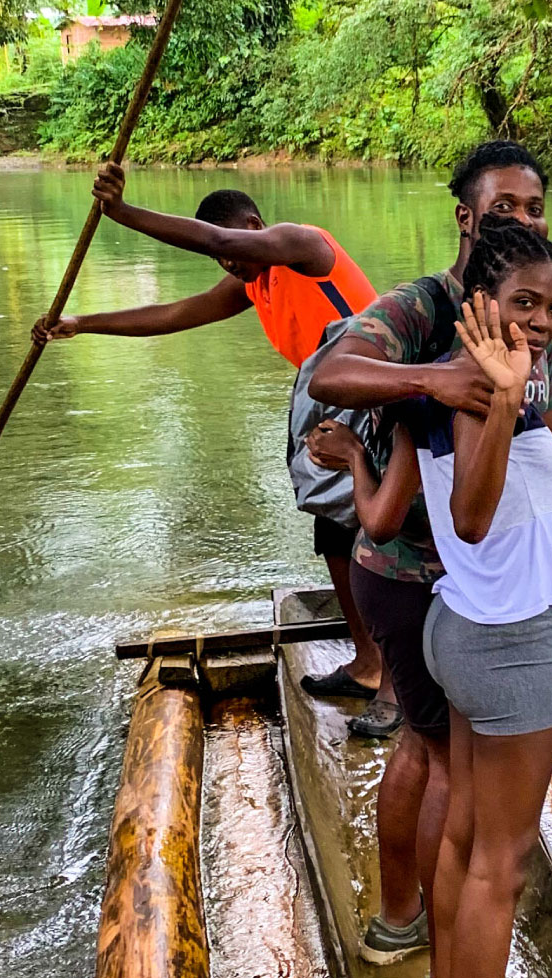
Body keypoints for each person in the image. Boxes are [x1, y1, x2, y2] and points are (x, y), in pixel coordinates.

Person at [314, 218, 552, 978]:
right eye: (523, 302)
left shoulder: (499, 377)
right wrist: (502, 402)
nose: (541, 320)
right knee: (498, 872)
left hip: (464, 624)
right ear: (479, 304)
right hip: (502, 644)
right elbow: (470, 517)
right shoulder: (478, 387)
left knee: (471, 851)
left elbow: (517, 497)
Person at [31, 165, 392, 709]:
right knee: (335, 532)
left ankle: (387, 671)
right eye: (222, 261)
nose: (228, 262)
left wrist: (121, 212)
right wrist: (83, 323)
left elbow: (218, 240)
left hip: (372, 391)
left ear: (254, 227)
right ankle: (370, 662)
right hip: (332, 399)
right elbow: (176, 313)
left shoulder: (303, 246)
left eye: (233, 249)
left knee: (362, 529)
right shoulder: (253, 283)